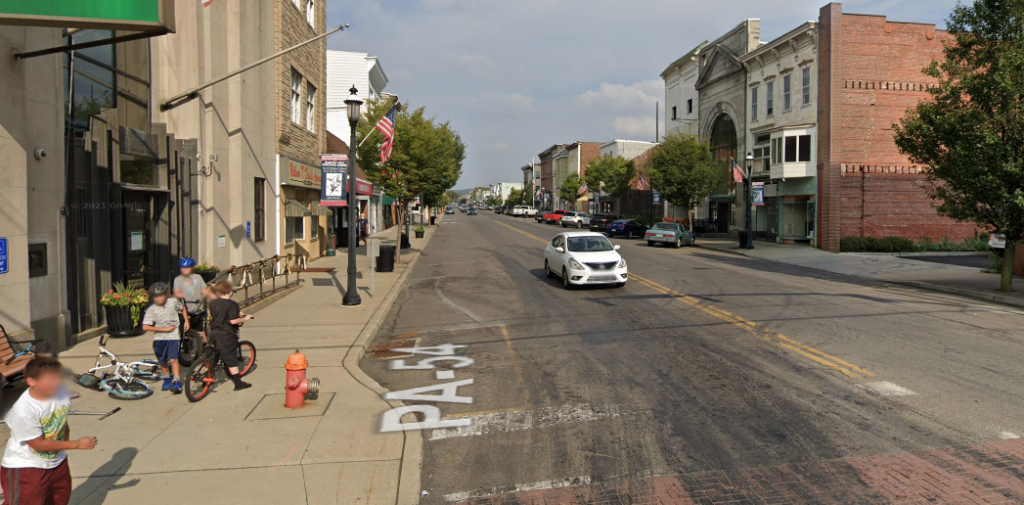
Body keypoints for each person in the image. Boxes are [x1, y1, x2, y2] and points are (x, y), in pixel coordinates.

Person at [1, 357, 97, 505]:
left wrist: (64, 440)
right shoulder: (24, 410)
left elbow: (61, 419)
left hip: (56, 461)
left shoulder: (62, 393)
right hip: (27, 466)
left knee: (59, 499)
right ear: (31, 381)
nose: (57, 382)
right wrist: (77, 444)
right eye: (50, 379)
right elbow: (37, 444)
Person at [141, 282, 187, 394]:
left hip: (173, 336)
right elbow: (145, 327)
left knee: (173, 359)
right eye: (156, 297)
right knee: (162, 361)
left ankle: (176, 381)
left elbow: (182, 308)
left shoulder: (173, 302)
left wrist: (186, 321)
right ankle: (166, 378)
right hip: (159, 338)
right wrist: (164, 329)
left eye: (160, 296)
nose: (158, 299)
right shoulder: (151, 309)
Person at [207, 281, 253, 391]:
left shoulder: (213, 303)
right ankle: (238, 382)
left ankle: (207, 376)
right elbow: (232, 321)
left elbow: (220, 313)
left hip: (214, 332)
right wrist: (244, 319)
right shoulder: (232, 304)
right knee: (231, 357)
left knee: (211, 356)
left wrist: (239, 313)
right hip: (226, 334)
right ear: (230, 291)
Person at [173, 257, 206, 337]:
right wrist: (179, 295)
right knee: (183, 329)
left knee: (199, 329)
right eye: (182, 268)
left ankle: (205, 346)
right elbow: (176, 292)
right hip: (184, 309)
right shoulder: (178, 279)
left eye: (187, 268)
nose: (184, 270)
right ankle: (183, 343)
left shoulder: (198, 277)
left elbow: (204, 290)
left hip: (197, 307)